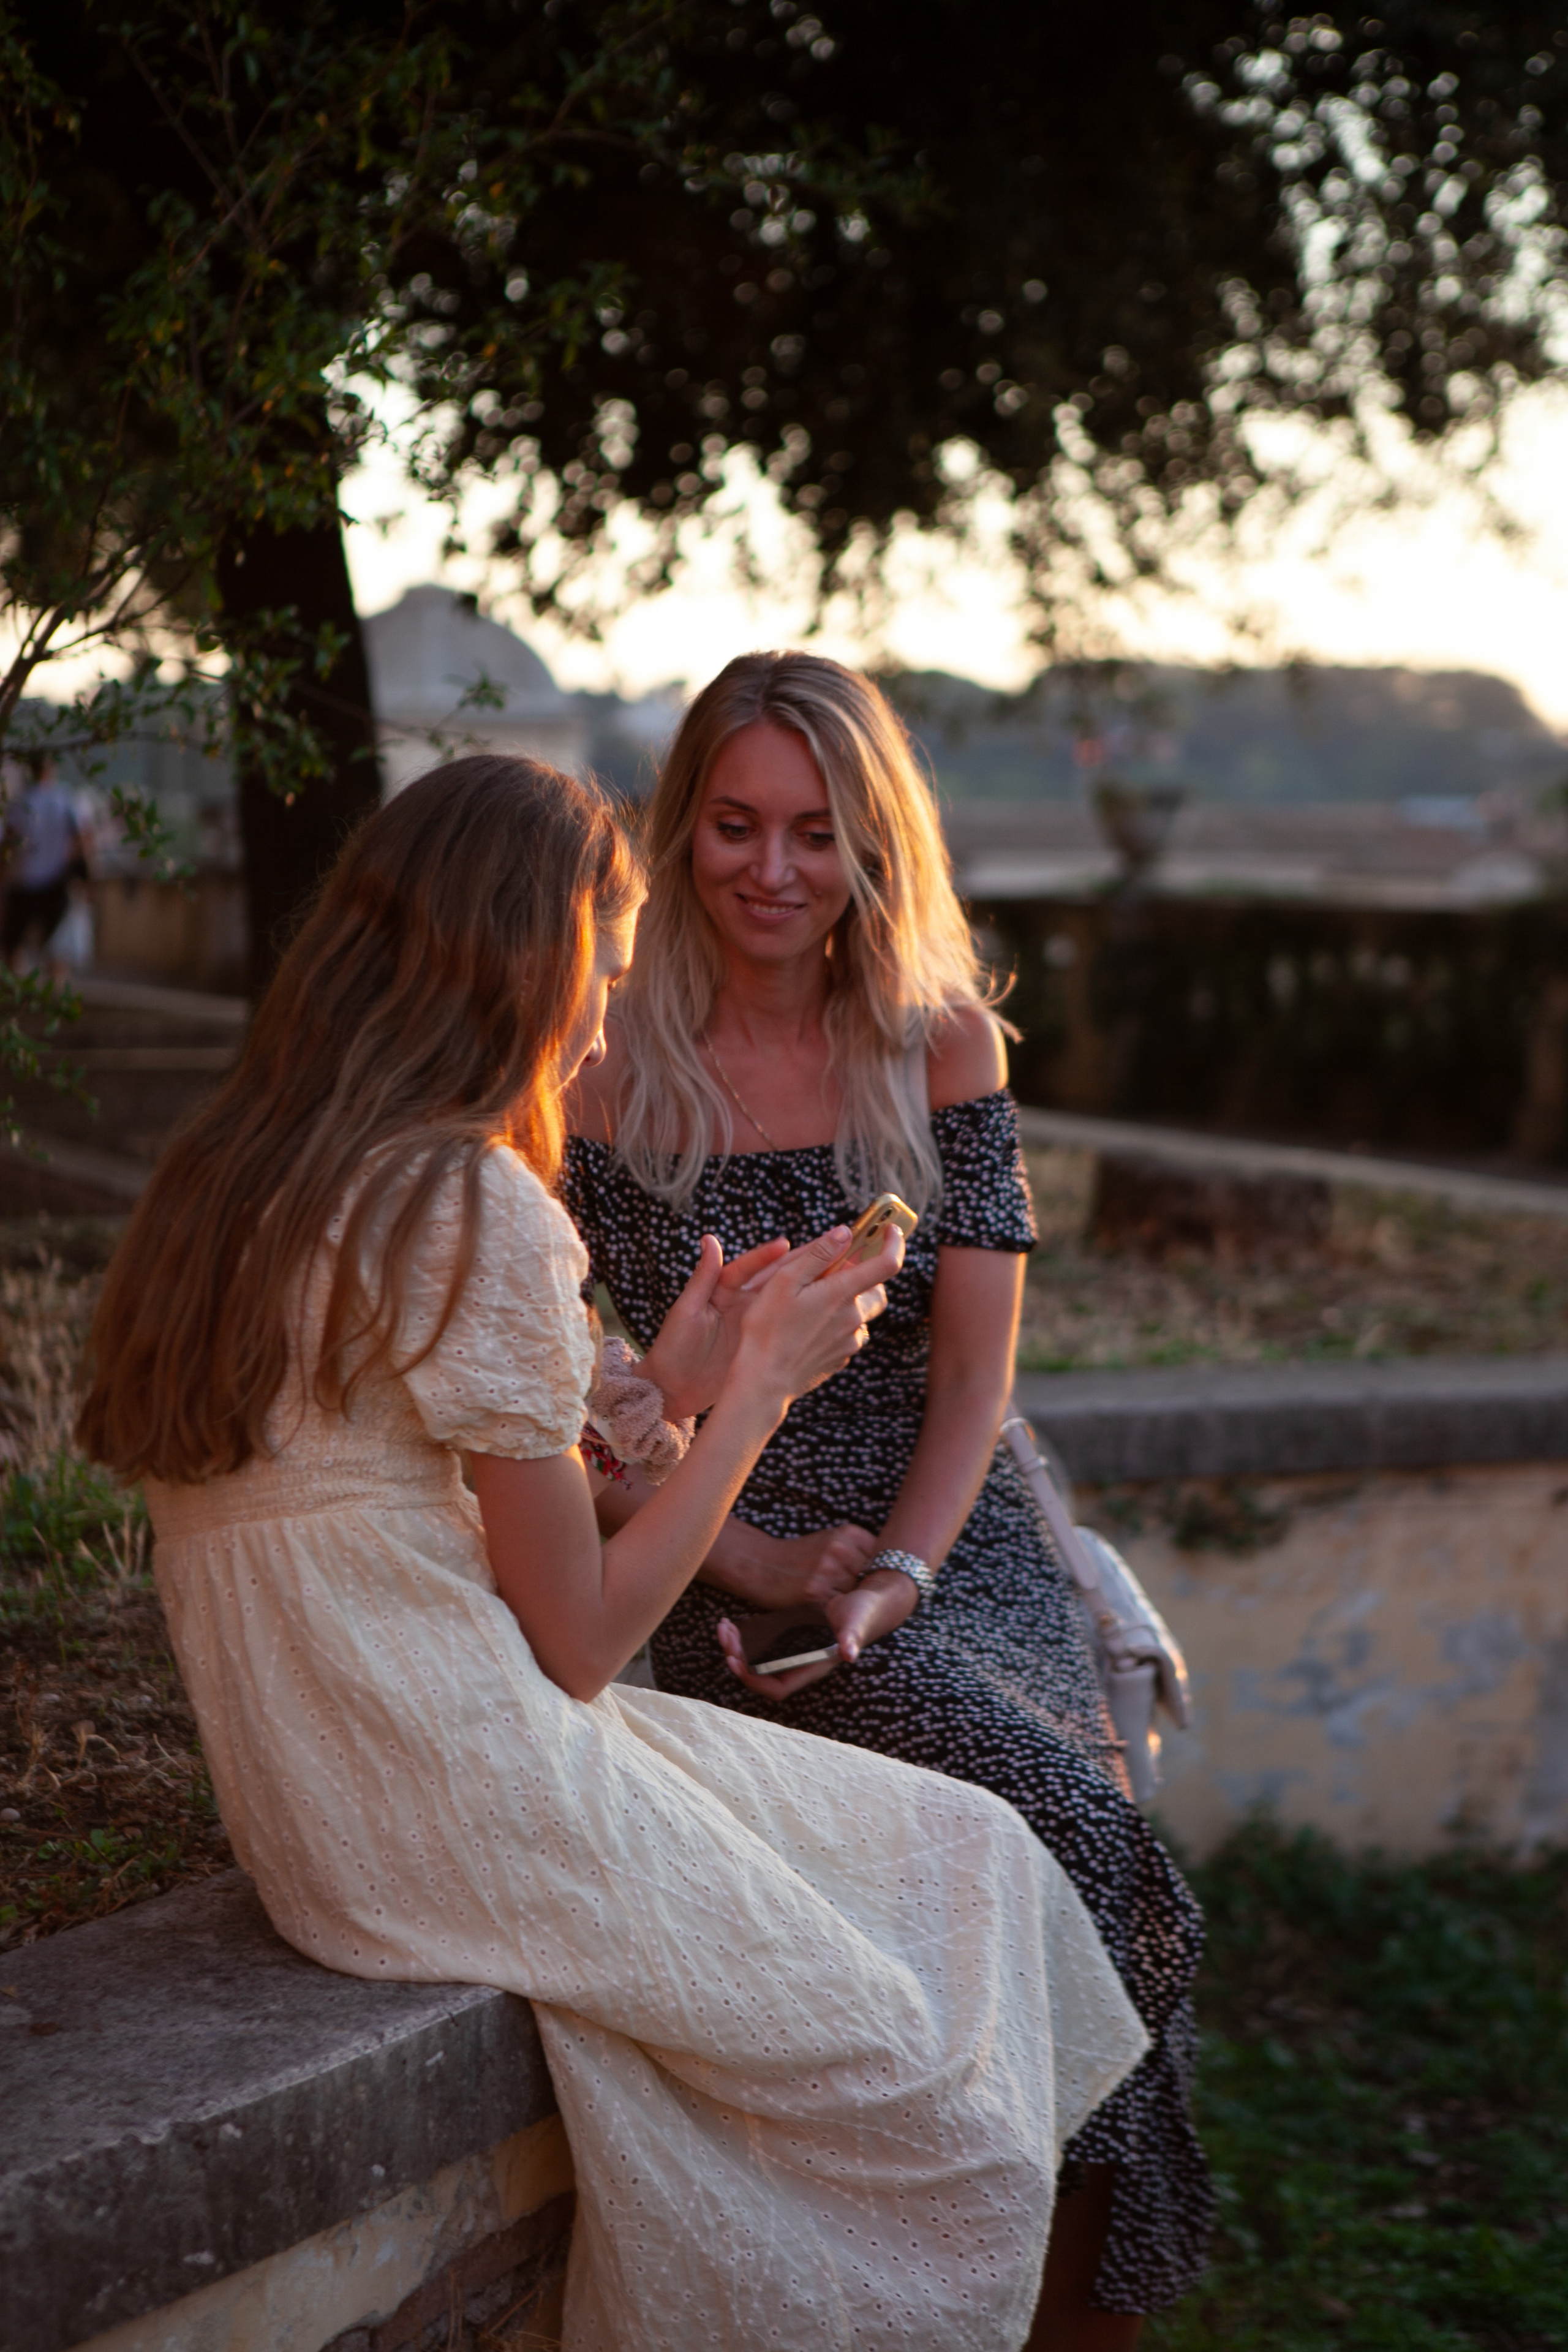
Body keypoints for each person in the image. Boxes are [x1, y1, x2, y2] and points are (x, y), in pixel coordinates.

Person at [77, 755, 1147, 2352]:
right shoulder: (472, 1206)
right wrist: (761, 1405)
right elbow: (578, 1641)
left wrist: (688, 1386)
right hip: (465, 1789)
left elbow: (405, 1501)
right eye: (609, 945)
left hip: (337, 1800)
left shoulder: (241, 1177)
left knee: (969, 1857)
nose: (619, 999)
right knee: (921, 2086)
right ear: (520, 956)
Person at [563, 655, 1215, 2346]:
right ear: (680, 822)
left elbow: (974, 1373)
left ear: (874, 843)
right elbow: (579, 1390)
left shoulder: (937, 1040)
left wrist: (908, 1571)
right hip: (721, 1541)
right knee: (1075, 1843)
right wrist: (767, 1550)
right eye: (734, 827)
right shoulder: (601, 1056)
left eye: (819, 833)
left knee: (1089, 1850)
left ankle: (1080, 2307)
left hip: (949, 1538)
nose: (774, 871)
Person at [2, 753, 87, 973]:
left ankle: (19, 990)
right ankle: (55, 997)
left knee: (13, 945)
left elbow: (9, 843)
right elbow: (80, 841)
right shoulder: (65, 799)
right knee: (56, 948)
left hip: (24, 881)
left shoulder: (21, 803)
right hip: (55, 881)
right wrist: (84, 878)